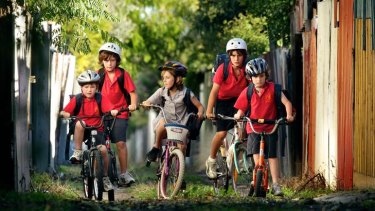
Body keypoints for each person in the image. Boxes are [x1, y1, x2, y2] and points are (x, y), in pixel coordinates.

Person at [233, 58, 295, 196]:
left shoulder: (273, 89)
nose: (258, 80)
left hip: (270, 127)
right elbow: (241, 109)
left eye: (261, 76)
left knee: (272, 156)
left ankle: (276, 184)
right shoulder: (247, 91)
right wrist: (238, 115)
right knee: (256, 154)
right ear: (250, 78)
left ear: (266, 75)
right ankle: (257, 177)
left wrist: (289, 115)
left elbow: (287, 103)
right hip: (253, 128)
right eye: (255, 76)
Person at [60, 70, 118, 191]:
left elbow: (111, 109)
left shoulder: (100, 98)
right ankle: (78, 152)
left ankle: (105, 177)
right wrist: (65, 114)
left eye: (92, 86)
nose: (89, 89)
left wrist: (113, 111)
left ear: (97, 87)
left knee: (103, 150)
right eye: (86, 87)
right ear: (81, 88)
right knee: (80, 124)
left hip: (98, 128)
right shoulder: (78, 99)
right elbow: (65, 111)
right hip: (83, 128)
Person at [142, 61, 204, 161]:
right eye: (163, 78)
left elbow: (200, 106)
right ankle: (156, 147)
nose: (164, 81)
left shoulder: (186, 93)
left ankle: (179, 170)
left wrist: (200, 112)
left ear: (177, 79)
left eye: (167, 78)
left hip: (181, 125)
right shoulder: (161, 91)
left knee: (182, 147)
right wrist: (146, 103)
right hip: (165, 122)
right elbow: (149, 100)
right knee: (162, 122)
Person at [205, 38, 249, 179]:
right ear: (229, 56)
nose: (236, 59)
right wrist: (209, 111)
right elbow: (214, 91)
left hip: (240, 101)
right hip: (223, 102)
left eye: (239, 55)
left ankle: (237, 156)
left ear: (244, 56)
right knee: (222, 133)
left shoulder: (247, 70)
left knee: (243, 132)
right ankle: (211, 160)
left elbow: (251, 91)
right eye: (233, 55)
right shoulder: (222, 69)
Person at [97, 42, 138, 186]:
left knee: (120, 143)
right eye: (106, 60)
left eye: (112, 60)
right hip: (103, 114)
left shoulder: (122, 74)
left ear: (117, 60)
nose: (109, 63)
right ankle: (104, 176)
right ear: (102, 60)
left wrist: (132, 105)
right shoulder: (99, 75)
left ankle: (124, 174)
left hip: (120, 113)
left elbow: (132, 93)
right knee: (102, 145)